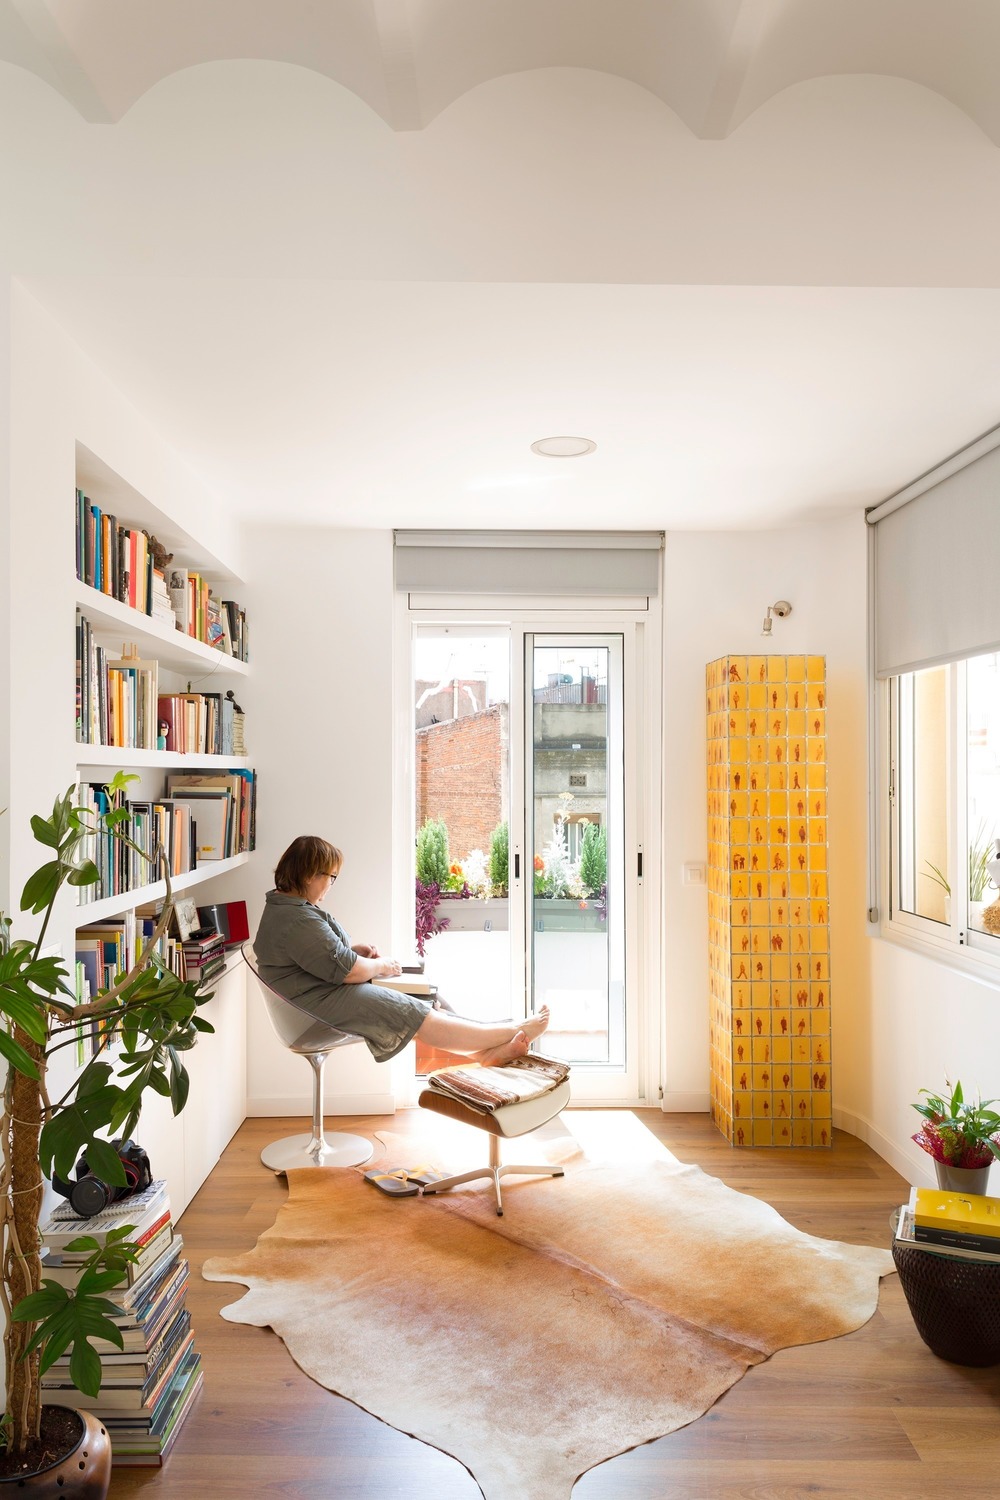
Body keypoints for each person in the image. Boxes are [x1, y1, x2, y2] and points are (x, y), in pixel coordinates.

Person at [254, 835, 549, 1066]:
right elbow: (350, 972)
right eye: (329, 877)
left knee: (427, 997)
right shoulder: (296, 918)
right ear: (309, 876)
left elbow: (313, 957)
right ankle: (514, 1029)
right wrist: (382, 965)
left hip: (318, 994)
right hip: (313, 1010)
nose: (331, 884)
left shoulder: (289, 909)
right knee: (413, 1011)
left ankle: (486, 1052)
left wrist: (351, 950)